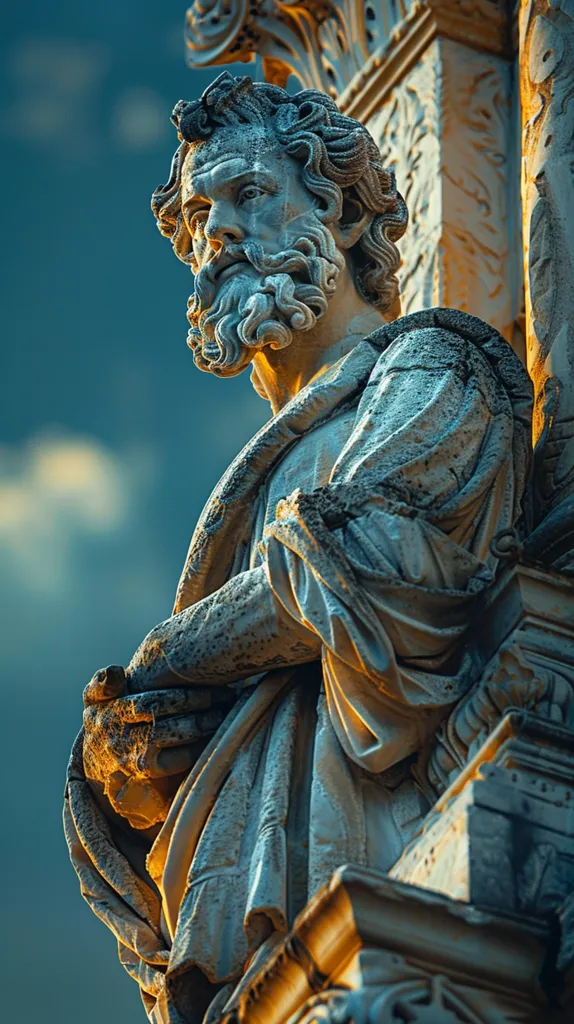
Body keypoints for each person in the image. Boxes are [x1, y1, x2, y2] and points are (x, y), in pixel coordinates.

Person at [64, 71, 533, 1024]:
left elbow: (352, 552)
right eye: (201, 216)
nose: (220, 233)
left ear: (343, 219)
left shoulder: (437, 365)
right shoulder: (257, 471)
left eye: (248, 194)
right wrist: (123, 763)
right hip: (250, 937)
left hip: (389, 873)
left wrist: (166, 661)